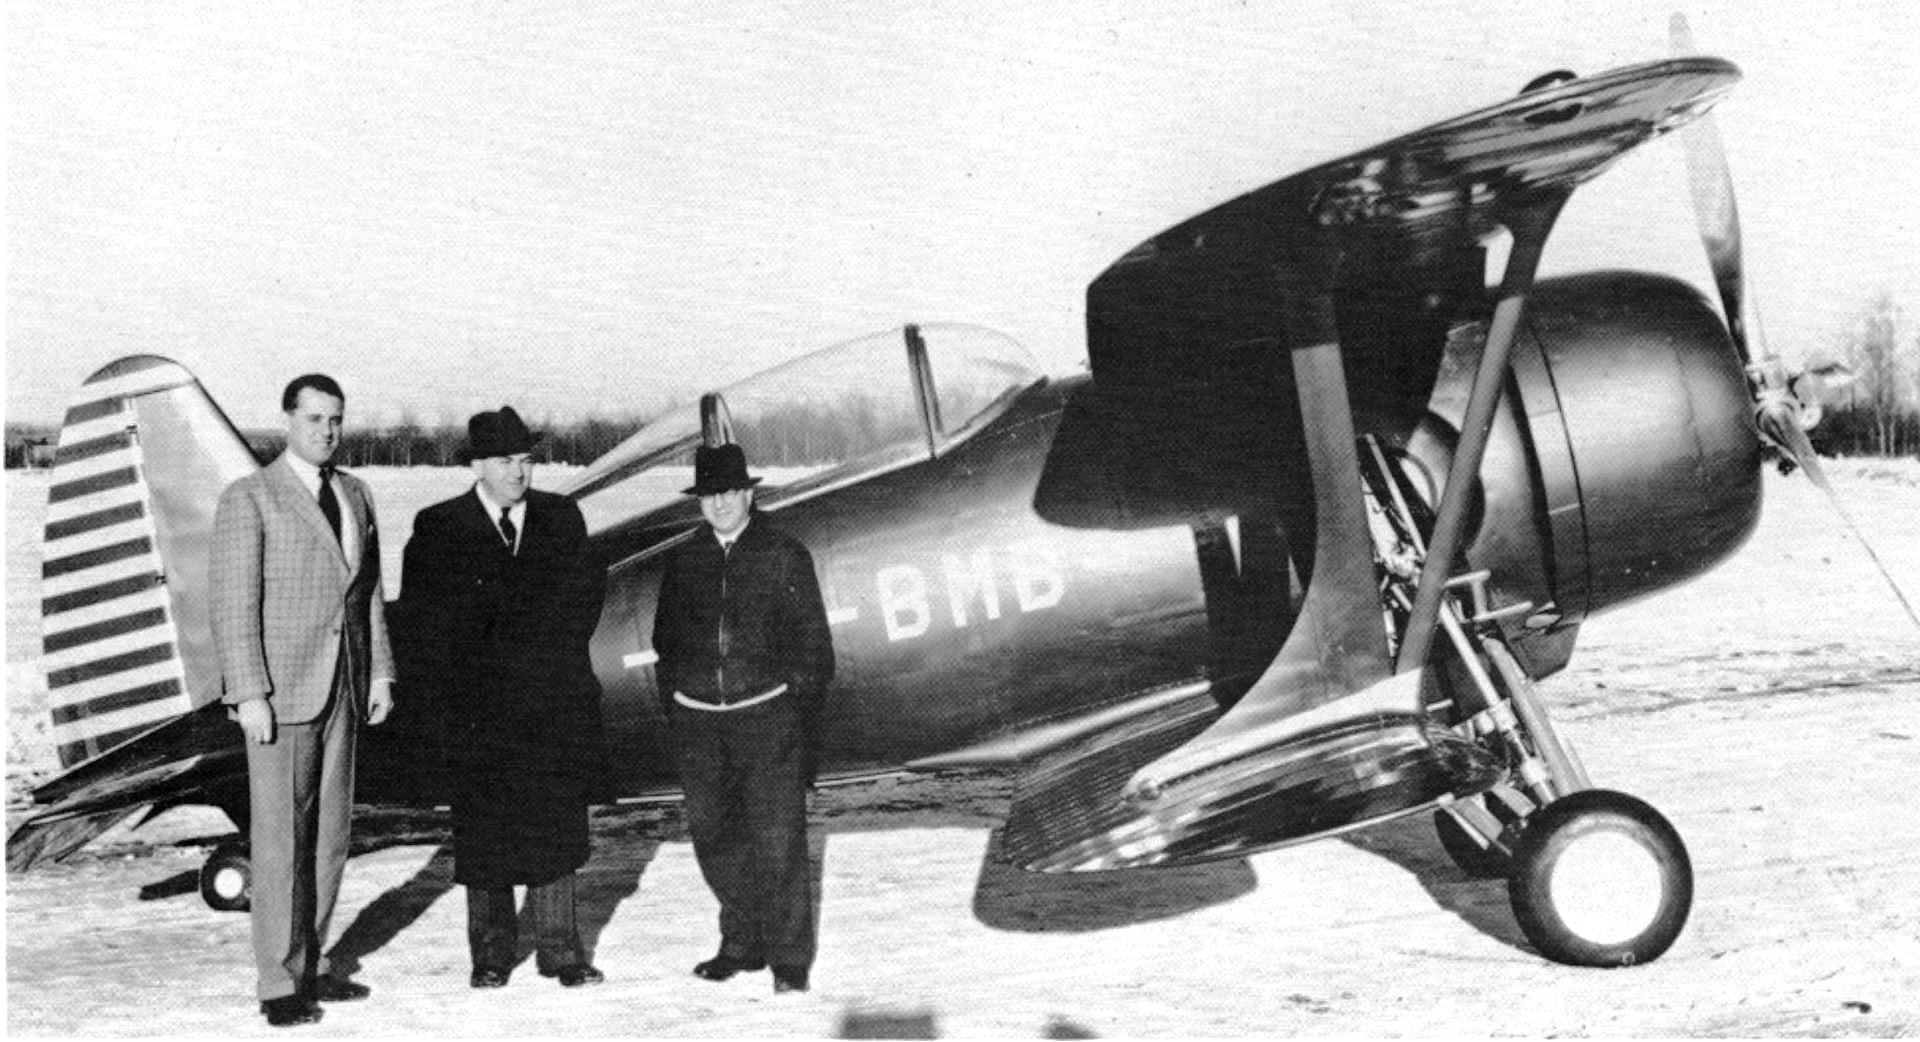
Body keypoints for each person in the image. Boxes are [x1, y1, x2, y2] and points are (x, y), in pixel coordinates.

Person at [399, 406, 609, 990]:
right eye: (503, 461)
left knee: (556, 827)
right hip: (478, 713)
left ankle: (561, 951)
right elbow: (422, 622)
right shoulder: (439, 527)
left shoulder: (561, 518)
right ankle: (491, 954)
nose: (518, 472)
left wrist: (541, 659)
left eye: (524, 459)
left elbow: (584, 600)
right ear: (477, 466)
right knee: (485, 833)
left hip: (549, 704)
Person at [210, 374, 396, 1028]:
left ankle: (313, 965)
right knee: (280, 843)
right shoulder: (251, 497)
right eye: (314, 418)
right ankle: (277, 981)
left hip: (344, 684)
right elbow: (233, 606)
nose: (327, 431)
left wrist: (379, 674)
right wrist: (248, 692)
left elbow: (367, 594)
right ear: (288, 420)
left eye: (335, 419)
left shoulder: (355, 493)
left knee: (331, 837)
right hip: (281, 692)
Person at [651, 442, 835, 994]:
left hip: (766, 719)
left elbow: (813, 648)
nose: (720, 503)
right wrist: (680, 702)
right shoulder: (684, 560)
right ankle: (741, 944)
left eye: (729, 492)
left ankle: (789, 960)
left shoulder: (783, 554)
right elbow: (665, 643)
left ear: (748, 494)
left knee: (778, 843)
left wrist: (787, 709)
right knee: (716, 840)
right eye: (709, 494)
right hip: (701, 724)